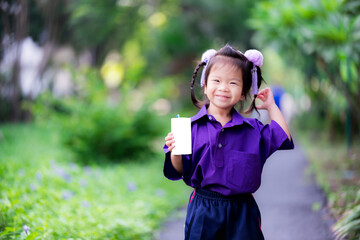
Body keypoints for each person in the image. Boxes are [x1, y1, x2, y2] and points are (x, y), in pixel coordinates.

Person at [163, 44, 294, 240]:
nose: (223, 87)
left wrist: (271, 106)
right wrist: (175, 151)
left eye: (233, 83)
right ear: (205, 86)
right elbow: (178, 170)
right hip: (203, 209)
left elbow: (283, 137)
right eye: (216, 80)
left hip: (243, 212)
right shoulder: (188, 128)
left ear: (243, 92)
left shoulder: (253, 130)